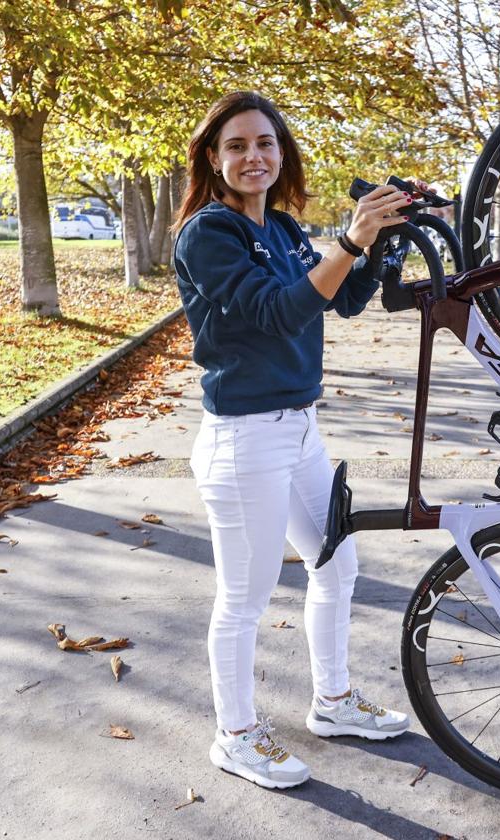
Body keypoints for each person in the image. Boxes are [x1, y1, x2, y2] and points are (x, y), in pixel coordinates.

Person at [171, 91, 419, 790]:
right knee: (245, 599)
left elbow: (338, 298)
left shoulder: (281, 229)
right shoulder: (206, 235)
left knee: (337, 568)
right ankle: (236, 734)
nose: (254, 157)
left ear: (282, 154)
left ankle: (333, 702)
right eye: (238, 146)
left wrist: (377, 246)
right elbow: (278, 314)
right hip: (243, 439)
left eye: (265, 144)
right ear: (214, 161)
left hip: (299, 428)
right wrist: (351, 241)